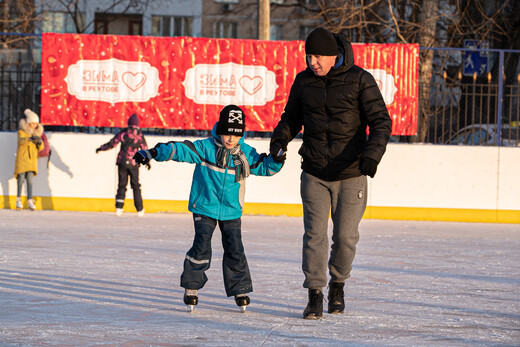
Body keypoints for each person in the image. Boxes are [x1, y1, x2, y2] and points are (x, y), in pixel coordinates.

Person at [269, 27, 392, 319]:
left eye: (318, 56)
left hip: (351, 172)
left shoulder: (360, 80)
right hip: (314, 171)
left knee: (346, 237)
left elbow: (381, 121)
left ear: (334, 55)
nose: (313, 62)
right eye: (309, 56)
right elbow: (291, 118)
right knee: (314, 236)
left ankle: (338, 284)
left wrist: (372, 155)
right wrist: (279, 140)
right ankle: (314, 293)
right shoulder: (303, 82)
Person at [133, 105, 284, 311]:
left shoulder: (245, 154)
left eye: (235, 134)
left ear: (241, 134)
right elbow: (179, 149)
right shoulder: (206, 148)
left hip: (231, 210)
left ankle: (240, 288)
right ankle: (191, 287)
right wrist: (152, 152)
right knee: (201, 245)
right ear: (219, 130)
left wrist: (277, 159)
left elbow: (266, 168)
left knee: (235, 248)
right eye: (226, 133)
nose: (230, 139)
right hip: (204, 206)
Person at [96, 113, 149, 217]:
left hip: (122, 162)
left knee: (122, 184)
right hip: (134, 163)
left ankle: (119, 207)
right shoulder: (139, 135)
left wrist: (101, 148)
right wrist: (147, 161)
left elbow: (112, 143)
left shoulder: (123, 133)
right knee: (136, 185)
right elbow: (145, 149)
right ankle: (139, 209)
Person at [14, 109, 45, 210]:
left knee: (30, 181)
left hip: (32, 161)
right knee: (21, 179)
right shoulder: (22, 132)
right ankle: (18, 199)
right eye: (32, 123)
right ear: (28, 123)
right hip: (22, 160)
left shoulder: (37, 133)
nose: (34, 125)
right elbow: (21, 141)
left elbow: (40, 148)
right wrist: (29, 139)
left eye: (36, 123)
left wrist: (39, 142)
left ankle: (30, 200)